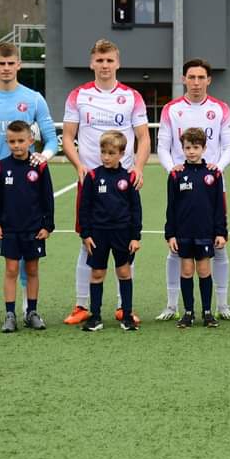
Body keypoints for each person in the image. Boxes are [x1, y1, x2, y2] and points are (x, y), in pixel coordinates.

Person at [0, 42, 58, 326]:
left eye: (11, 63)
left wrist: (42, 158)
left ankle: (29, 310)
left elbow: (52, 139)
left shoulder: (34, 99)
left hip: (26, 188)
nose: (6, 68)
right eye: (1, 64)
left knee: (27, 251)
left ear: (19, 65)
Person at [61, 39, 151, 326]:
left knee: (125, 245)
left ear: (118, 63)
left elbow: (144, 137)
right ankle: (82, 305)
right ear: (91, 63)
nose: (104, 65)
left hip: (122, 182)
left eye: (109, 60)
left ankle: (123, 309)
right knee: (86, 241)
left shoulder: (131, 96)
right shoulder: (78, 95)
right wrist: (79, 167)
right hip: (91, 181)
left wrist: (137, 166)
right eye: (100, 60)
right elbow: (67, 136)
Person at [156, 58, 230, 321]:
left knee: (219, 248)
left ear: (208, 80)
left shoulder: (221, 109)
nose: (196, 83)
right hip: (183, 183)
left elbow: (228, 147)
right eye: (191, 77)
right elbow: (163, 146)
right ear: (183, 79)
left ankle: (221, 305)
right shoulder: (171, 109)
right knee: (178, 249)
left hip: (212, 186)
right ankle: (172, 305)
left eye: (201, 77)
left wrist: (217, 169)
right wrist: (173, 170)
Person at [0, 121, 54, 333]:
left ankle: (32, 312)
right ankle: (10, 314)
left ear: (30, 141)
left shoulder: (40, 166)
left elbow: (47, 197)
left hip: (34, 228)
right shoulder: (1, 166)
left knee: (33, 269)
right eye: (12, 141)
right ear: (7, 142)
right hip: (10, 228)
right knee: (11, 270)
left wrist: (48, 226)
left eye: (20, 141)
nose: (16, 145)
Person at [78, 131, 143, 332]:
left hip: (122, 234)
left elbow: (135, 209)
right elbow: (85, 207)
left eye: (111, 153)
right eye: (103, 152)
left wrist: (135, 236)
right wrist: (86, 234)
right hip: (98, 234)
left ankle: (127, 315)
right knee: (97, 273)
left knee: (123, 272)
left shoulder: (128, 178)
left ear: (122, 153)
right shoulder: (93, 176)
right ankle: (95, 316)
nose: (106, 157)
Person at [164, 128, 228, 329]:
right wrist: (171, 234)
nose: (191, 151)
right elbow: (171, 207)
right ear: (182, 149)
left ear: (204, 148)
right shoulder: (176, 175)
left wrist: (220, 231)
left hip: (204, 232)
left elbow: (219, 206)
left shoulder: (213, 173)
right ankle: (188, 312)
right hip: (183, 233)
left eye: (196, 147)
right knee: (187, 270)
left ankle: (207, 312)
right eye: (187, 148)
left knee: (203, 270)